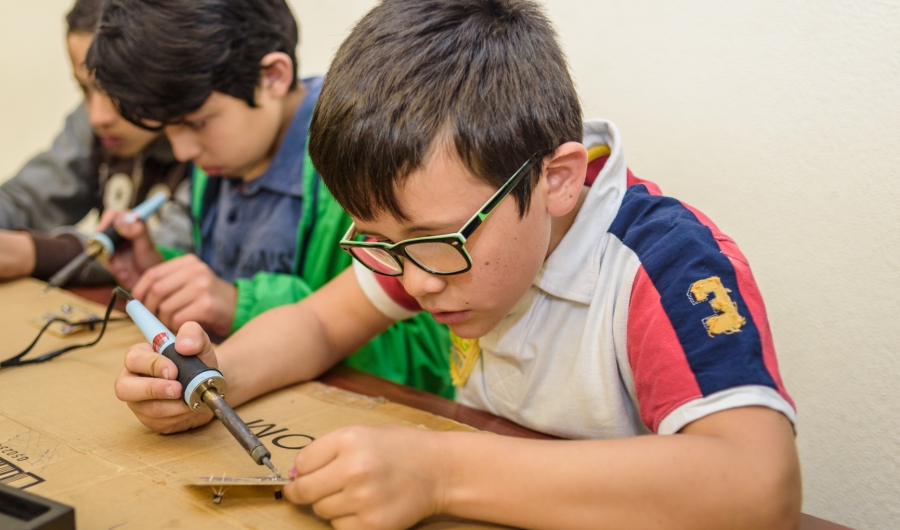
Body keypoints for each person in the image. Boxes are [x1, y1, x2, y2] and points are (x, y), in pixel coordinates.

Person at [113, 0, 802, 528]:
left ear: (557, 179)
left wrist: (441, 473)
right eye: (380, 242)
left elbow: (758, 484)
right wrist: (211, 379)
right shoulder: (431, 244)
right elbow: (318, 327)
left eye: (434, 240)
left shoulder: (663, 263)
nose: (412, 282)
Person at [87, 0, 451, 396]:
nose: (182, 152)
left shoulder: (364, 155)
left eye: (195, 123)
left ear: (274, 76)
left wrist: (237, 305)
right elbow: (220, 279)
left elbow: (432, 357)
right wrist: (158, 272)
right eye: (168, 130)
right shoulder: (223, 154)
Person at [0, 0, 192, 286]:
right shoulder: (94, 127)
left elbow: (166, 259)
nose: (98, 116)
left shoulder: (204, 146)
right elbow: (25, 198)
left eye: (117, 89)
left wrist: (36, 253)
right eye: (84, 89)